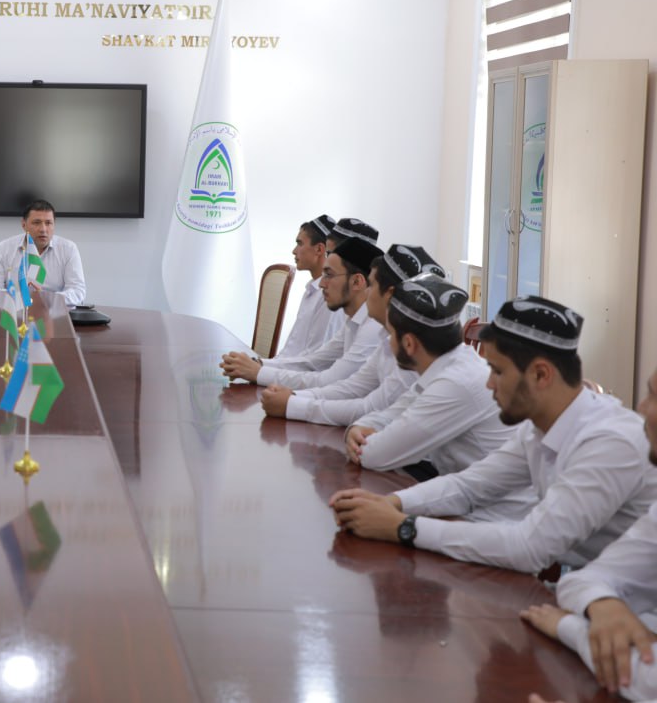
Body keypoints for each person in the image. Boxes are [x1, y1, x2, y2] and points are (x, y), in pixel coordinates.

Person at [330, 296, 657, 575]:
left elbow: (529, 548)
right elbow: (469, 486)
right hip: (590, 582)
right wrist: (391, 503)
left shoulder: (609, 442)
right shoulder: (538, 427)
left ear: (541, 374)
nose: (489, 384)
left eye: (497, 371)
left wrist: (402, 526)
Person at [521, 367, 657, 699]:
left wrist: (569, 627)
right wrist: (601, 603)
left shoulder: (616, 441)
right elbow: (584, 579)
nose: (642, 408)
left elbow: (648, 679)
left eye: (654, 396)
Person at [344, 275, 524, 486]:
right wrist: (358, 427)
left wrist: (358, 439)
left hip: (486, 503)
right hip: (462, 491)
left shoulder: (456, 383)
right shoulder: (446, 366)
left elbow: (375, 455)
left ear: (409, 344)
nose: (389, 342)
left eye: (391, 334)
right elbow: (390, 415)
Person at [261, 244, 441, 426]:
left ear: (390, 294)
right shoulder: (387, 337)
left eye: (372, 285)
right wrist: (292, 397)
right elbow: (353, 388)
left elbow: (369, 408)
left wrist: (291, 403)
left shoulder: (401, 345)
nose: (366, 292)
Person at [222, 237, 383, 389]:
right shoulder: (353, 321)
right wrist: (258, 364)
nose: (322, 284)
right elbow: (312, 362)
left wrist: (258, 373)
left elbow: (328, 381)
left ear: (357, 281)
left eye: (328, 275)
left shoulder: (373, 328)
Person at [0, 199, 86, 306]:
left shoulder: (68, 249)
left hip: (54, 311)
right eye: (36, 223)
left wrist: (46, 298)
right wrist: (16, 297)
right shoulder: (4, 248)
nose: (43, 229)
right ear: (24, 224)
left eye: (48, 223)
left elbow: (78, 291)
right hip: (14, 311)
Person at [274, 214, 336, 359]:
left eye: (300, 243)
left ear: (319, 249)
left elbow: (311, 359)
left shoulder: (327, 295)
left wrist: (261, 368)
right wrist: (260, 365)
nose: (294, 251)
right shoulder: (311, 289)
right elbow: (291, 351)